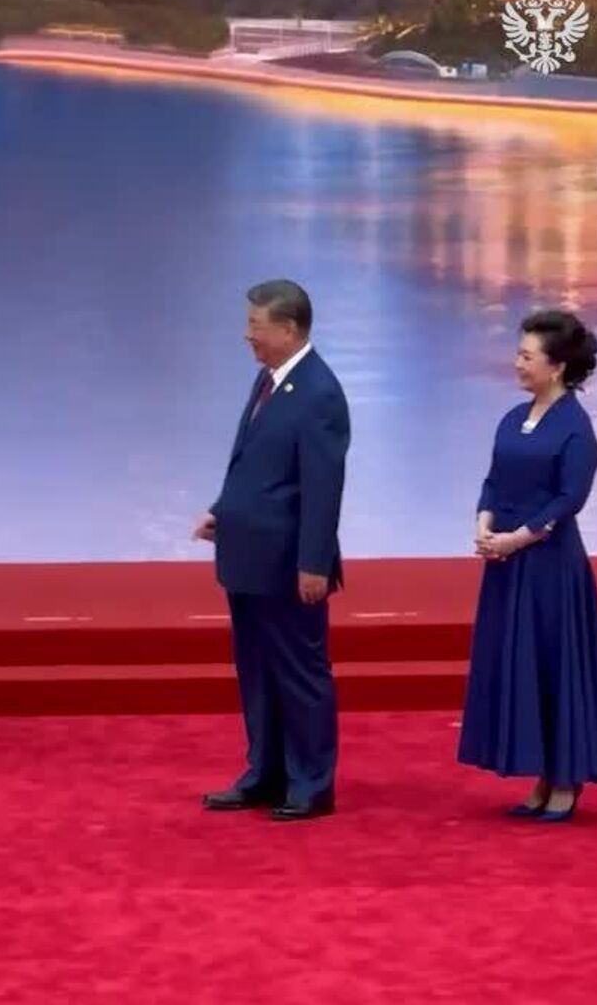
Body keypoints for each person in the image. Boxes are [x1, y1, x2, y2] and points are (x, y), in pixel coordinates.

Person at [458, 309, 597, 822]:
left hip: (549, 564)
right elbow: (493, 479)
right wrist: (484, 522)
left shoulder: (576, 428)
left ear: (556, 367)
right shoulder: (513, 418)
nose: (517, 363)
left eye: (526, 356)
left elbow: (568, 499)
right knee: (524, 666)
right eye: (519, 353)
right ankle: (541, 773)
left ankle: (566, 776)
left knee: (555, 665)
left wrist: (518, 538)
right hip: (506, 562)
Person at [193, 279, 350, 821]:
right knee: (258, 672)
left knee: (299, 673)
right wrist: (224, 510)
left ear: (287, 329)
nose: (247, 335)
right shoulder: (270, 379)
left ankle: (311, 783)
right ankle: (265, 772)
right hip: (248, 557)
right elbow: (255, 463)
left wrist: (314, 563)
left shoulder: (319, 393)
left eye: (255, 326)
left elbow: (323, 486)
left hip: (288, 565)